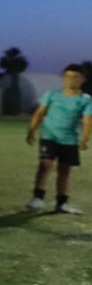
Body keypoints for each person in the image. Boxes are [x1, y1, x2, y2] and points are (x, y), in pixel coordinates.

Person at [25, 64, 92, 214]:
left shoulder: (85, 99)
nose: (71, 80)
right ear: (63, 78)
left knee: (64, 172)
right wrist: (31, 131)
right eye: (67, 76)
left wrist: (85, 139)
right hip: (49, 136)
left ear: (83, 79)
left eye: (75, 77)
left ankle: (62, 203)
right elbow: (39, 113)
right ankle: (38, 198)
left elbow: (88, 120)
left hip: (69, 140)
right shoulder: (52, 94)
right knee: (44, 167)